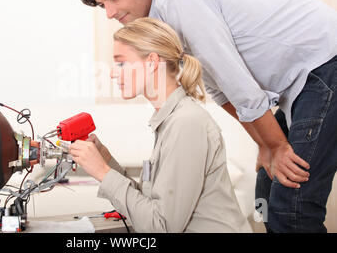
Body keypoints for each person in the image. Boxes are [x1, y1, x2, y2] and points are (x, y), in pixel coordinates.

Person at [74, 0, 337, 233]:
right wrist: (264, 145)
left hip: (324, 61)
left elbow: (235, 80)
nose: (109, 13)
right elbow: (220, 89)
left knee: (292, 203)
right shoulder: (165, 21)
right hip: (302, 82)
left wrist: (275, 144)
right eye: (102, 5)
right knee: (267, 184)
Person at [69, 17, 251, 232]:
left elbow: (161, 225)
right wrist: (105, 160)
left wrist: (103, 173)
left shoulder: (186, 123)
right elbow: (150, 203)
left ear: (152, 62)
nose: (112, 73)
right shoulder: (171, 120)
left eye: (121, 63)